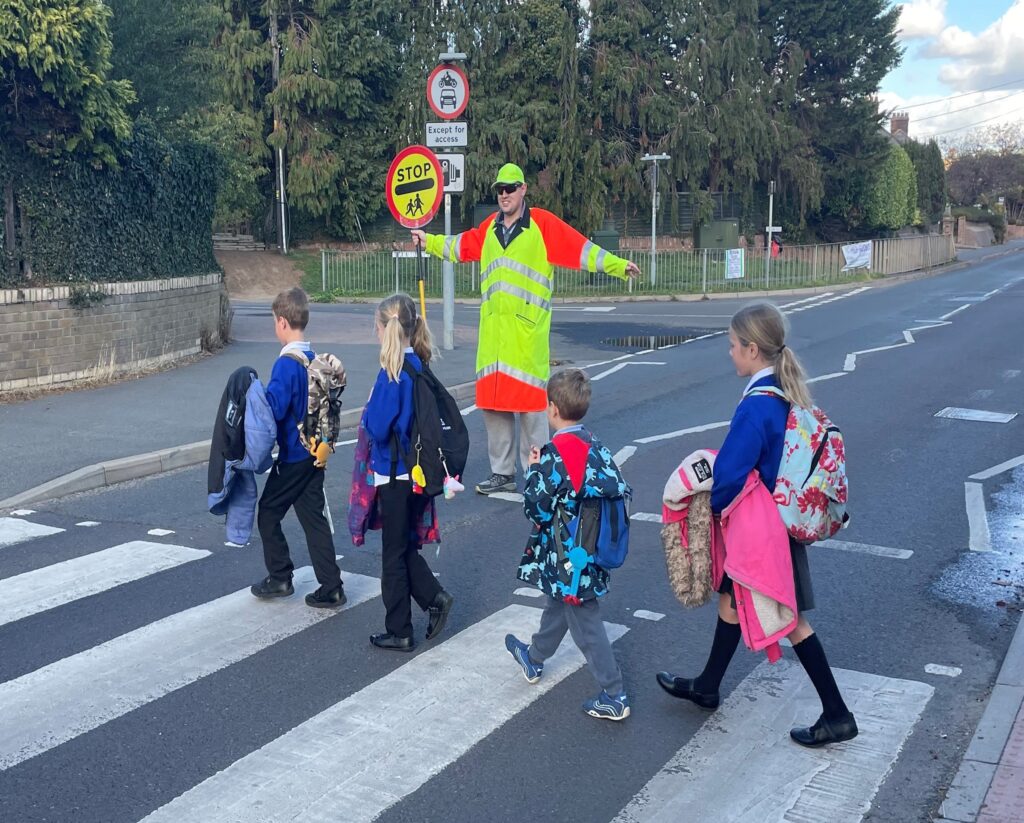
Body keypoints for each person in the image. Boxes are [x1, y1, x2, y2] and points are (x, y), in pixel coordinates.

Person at [655, 302, 857, 747]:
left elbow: (728, 474)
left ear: (751, 349)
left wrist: (712, 507)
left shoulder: (756, 407)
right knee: (732, 599)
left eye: (732, 346)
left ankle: (838, 713)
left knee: (790, 619)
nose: (728, 353)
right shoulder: (783, 394)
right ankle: (708, 685)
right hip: (775, 520)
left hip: (761, 529)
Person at [411, 162, 640, 496]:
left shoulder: (542, 225)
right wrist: (427, 240)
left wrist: (618, 265)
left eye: (510, 188)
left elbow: (581, 250)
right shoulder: (489, 229)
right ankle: (501, 473)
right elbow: (458, 247)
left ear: (523, 190)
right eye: (500, 189)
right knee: (494, 409)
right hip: (493, 339)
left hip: (526, 338)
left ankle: (539, 472)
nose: (504, 194)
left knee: (532, 412)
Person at [505, 369, 631, 721]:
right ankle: (534, 656)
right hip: (591, 552)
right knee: (558, 604)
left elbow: (536, 508)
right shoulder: (596, 446)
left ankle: (614, 693)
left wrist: (533, 469)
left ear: (553, 409)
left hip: (568, 557)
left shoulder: (554, 455)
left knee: (585, 623)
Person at [363, 293, 454, 652]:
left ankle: (400, 628)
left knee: (393, 555)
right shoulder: (419, 366)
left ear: (386, 330)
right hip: (417, 474)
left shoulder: (392, 374)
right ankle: (434, 598)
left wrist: (369, 413)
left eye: (376, 326)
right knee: (404, 547)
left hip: (396, 474)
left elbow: (378, 427)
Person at [251, 288, 345, 607]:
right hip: (316, 454)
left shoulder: (286, 365)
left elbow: (274, 409)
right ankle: (331, 585)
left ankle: (280, 577)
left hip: (293, 455)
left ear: (281, 322)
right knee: (313, 519)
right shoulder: (313, 357)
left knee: (267, 513)